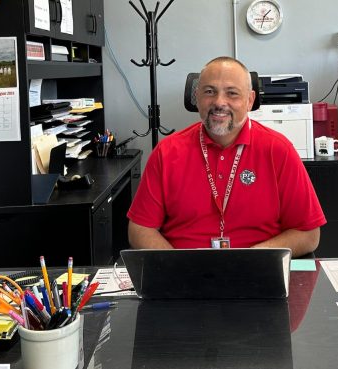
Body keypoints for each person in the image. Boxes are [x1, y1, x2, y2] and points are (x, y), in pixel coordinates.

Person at [127, 56, 326, 257]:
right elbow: (140, 229)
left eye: (232, 93)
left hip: (257, 272)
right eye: (209, 92)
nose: (219, 102)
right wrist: (179, 266)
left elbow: (309, 234)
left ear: (250, 100)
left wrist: (253, 258)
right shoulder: (166, 152)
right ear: (196, 97)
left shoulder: (279, 150)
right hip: (185, 276)